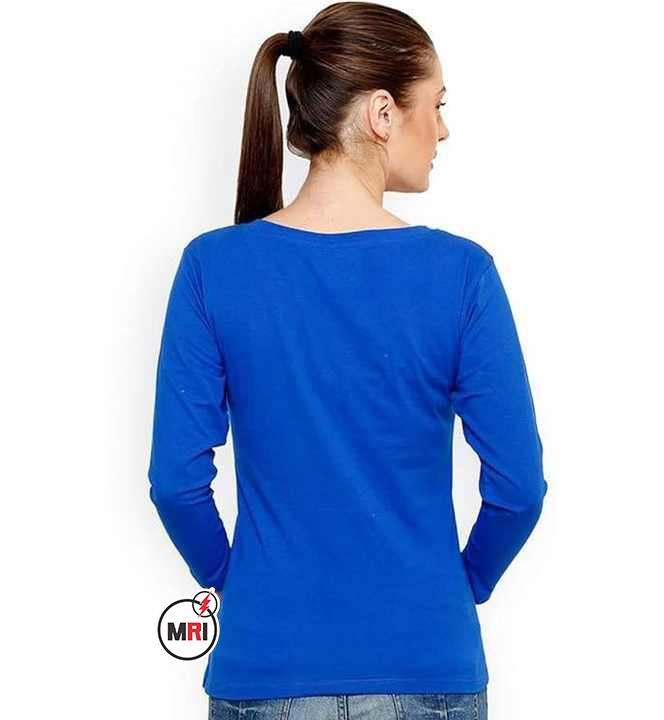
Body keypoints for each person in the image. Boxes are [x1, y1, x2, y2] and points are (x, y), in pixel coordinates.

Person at [147, 3, 548, 719]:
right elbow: (518, 487)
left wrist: (236, 583)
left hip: (264, 668)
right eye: (437, 105)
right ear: (383, 113)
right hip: (427, 663)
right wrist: (460, 587)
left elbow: (176, 484)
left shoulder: (213, 268)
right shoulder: (460, 275)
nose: (444, 130)